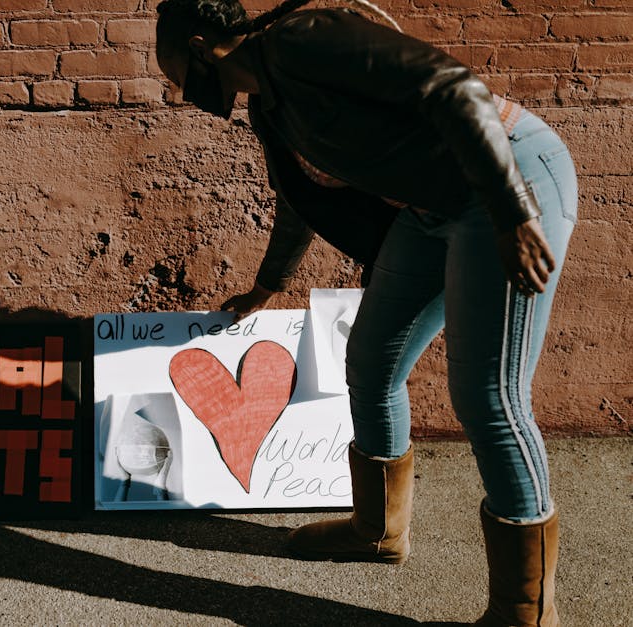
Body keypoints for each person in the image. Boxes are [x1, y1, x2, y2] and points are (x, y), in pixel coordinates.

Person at [154, 1, 578, 625]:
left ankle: (525, 611)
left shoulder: (301, 40)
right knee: (373, 359)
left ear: (197, 45)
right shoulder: (271, 107)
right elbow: (299, 201)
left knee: (490, 395)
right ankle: (378, 531)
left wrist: (513, 211)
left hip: (508, 181)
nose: (173, 86)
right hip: (432, 205)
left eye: (168, 66)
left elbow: (456, 89)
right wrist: (266, 287)